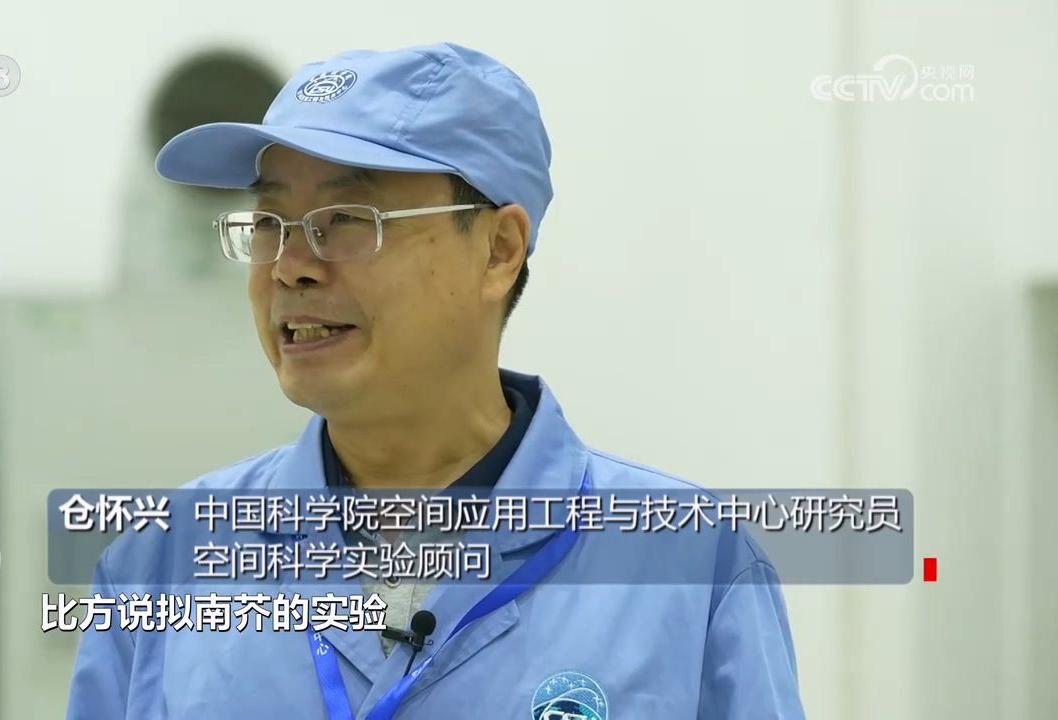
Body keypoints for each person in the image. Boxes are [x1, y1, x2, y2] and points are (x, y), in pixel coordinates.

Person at [67, 42, 805, 719]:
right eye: (269, 223)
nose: (290, 266)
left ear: (498, 250)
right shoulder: (160, 566)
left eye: (345, 218)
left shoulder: (690, 569)